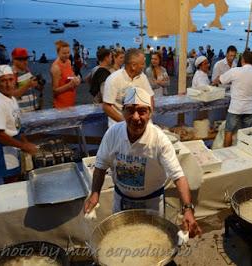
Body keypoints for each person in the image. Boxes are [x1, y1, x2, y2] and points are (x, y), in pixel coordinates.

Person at [84, 87, 201, 237]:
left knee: (151, 239)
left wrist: (188, 209)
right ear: (123, 111)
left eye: (141, 111)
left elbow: (178, 176)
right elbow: (100, 166)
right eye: (130, 110)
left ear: (150, 113)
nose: (136, 117)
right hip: (122, 200)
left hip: (151, 202)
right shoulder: (113, 133)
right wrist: (95, 194)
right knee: (123, 237)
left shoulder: (159, 139)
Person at [0, 65, 38, 185]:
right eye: (3, 81)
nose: (8, 84)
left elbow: (16, 125)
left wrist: (25, 142)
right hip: (2, 148)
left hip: (14, 144)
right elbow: (0, 135)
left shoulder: (11, 99)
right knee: (11, 182)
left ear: (15, 80)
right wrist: (24, 146)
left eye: (10, 80)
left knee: (18, 177)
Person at [213, 50, 252, 147]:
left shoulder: (235, 71)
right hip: (250, 108)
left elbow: (220, 80)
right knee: (246, 134)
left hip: (235, 108)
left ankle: (226, 154)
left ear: (242, 60)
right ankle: (244, 153)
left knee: (228, 131)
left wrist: (214, 82)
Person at [103, 48, 154, 128]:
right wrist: (125, 122)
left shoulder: (142, 77)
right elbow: (106, 107)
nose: (144, 66)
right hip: (119, 124)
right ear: (133, 66)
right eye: (142, 64)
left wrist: (148, 116)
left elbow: (150, 96)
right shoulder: (113, 79)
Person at [50, 40, 81, 109]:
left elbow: (71, 76)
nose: (67, 55)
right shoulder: (56, 68)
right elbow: (54, 91)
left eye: (68, 52)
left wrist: (76, 80)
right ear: (58, 53)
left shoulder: (68, 62)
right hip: (61, 105)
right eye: (64, 53)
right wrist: (69, 85)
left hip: (71, 101)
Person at [11, 48, 42, 112]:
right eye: (21, 60)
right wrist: (27, 85)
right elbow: (12, 95)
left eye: (26, 59)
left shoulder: (27, 71)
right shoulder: (11, 74)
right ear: (14, 60)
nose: (25, 62)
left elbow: (37, 88)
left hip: (33, 109)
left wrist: (39, 84)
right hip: (21, 112)